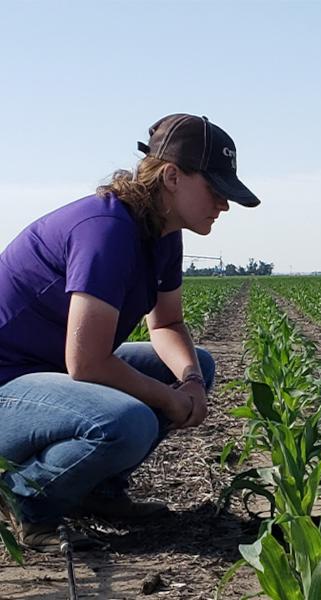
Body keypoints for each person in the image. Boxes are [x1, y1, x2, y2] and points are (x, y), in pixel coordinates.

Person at [0, 113, 260, 552]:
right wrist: (169, 398)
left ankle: (97, 489)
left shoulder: (162, 231)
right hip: (10, 384)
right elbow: (86, 363)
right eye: (215, 190)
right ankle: (26, 501)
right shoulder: (106, 231)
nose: (224, 205)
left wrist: (191, 382)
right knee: (127, 421)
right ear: (173, 177)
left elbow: (168, 323)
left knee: (198, 363)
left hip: (48, 378)